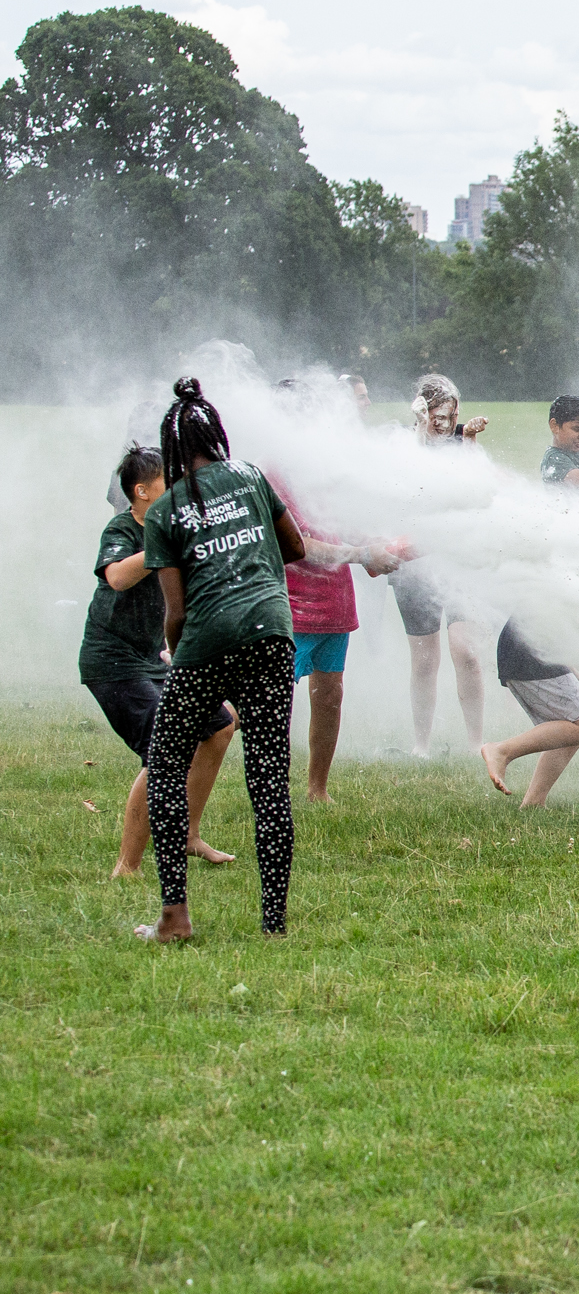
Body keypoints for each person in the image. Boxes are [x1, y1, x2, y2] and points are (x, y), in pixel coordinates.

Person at [136, 379, 308, 943]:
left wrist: (179, 655)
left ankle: (175, 917)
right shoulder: (252, 476)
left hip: (206, 641)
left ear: (172, 450)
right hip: (271, 635)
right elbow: (297, 548)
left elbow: (176, 612)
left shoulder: (164, 512)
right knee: (268, 778)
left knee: (164, 766)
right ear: (217, 437)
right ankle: (275, 924)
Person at [81, 445, 236, 878]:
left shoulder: (175, 529)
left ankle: (188, 834)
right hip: (111, 661)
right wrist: (161, 543)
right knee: (164, 751)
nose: (179, 488)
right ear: (142, 491)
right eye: (169, 481)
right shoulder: (124, 529)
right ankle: (126, 867)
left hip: (151, 658)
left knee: (221, 724)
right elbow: (116, 576)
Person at [272, 475, 399, 804]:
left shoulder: (324, 470)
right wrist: (362, 554)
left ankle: (317, 790)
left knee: (329, 699)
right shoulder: (274, 476)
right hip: (294, 608)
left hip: (334, 607)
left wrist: (377, 545)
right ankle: (204, 738)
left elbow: (348, 525)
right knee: (259, 703)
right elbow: (300, 544)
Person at [394, 373, 488, 759]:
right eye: (436, 413)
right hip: (415, 567)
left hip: (459, 563)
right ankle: (422, 745)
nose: (444, 421)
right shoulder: (405, 441)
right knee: (425, 661)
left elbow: (473, 488)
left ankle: (475, 744)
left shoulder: (461, 439)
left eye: (450, 413)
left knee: (465, 651)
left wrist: (468, 441)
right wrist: (418, 427)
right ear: (422, 409)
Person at [479, 619, 579, 807]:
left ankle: (534, 802)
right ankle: (501, 751)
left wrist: (571, 666)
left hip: (526, 648)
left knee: (571, 722)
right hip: (531, 649)